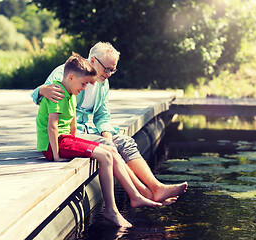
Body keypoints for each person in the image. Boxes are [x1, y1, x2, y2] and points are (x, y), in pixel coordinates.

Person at [32, 42, 187, 204]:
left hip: (87, 129)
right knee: (109, 148)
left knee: (126, 142)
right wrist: (42, 90)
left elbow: (102, 115)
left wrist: (108, 135)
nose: (109, 73)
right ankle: (144, 194)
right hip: (69, 134)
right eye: (107, 68)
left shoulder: (103, 83)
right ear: (92, 61)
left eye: (113, 69)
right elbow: (46, 99)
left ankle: (156, 187)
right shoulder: (67, 72)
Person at [36, 53, 161, 228]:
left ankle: (138, 195)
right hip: (57, 144)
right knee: (106, 154)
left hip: (69, 138)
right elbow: (52, 127)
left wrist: (101, 135)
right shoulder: (60, 88)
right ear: (93, 60)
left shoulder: (73, 90)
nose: (85, 87)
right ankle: (112, 209)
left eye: (113, 70)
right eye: (83, 84)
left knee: (110, 150)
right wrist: (56, 156)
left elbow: (92, 117)